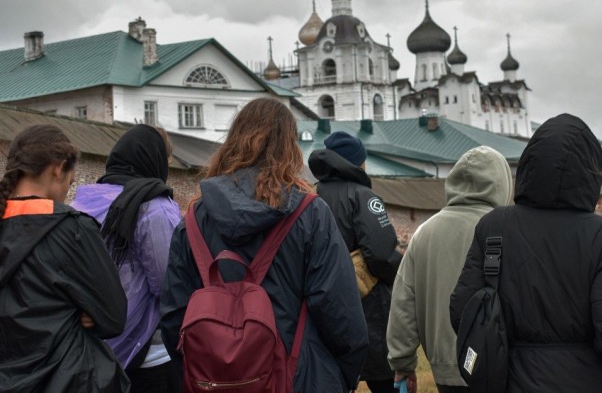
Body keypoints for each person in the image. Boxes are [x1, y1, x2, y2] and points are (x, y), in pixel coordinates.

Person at [160, 97, 368, 392]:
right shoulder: (310, 214)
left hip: (215, 381)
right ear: (289, 148)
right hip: (300, 378)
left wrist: (209, 370)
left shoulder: (193, 221)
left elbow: (173, 317)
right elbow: (340, 311)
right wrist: (342, 374)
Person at [450, 113, 602, 393]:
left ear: (529, 163)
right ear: (591, 174)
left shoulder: (494, 226)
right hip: (585, 381)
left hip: (508, 380)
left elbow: (463, 311)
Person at [0, 124, 129, 392]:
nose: (68, 192)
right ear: (59, 168)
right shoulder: (73, 230)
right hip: (66, 379)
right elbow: (114, 316)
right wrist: (84, 309)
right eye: (71, 182)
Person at [388, 146, 513, 393]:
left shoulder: (424, 233)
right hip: (500, 367)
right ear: (503, 183)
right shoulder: (508, 229)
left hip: (446, 371)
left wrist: (402, 363)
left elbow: (403, 304)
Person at [71, 124, 182, 392]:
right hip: (147, 353)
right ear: (156, 162)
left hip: (90, 349)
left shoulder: (83, 201)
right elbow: (168, 284)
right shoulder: (154, 207)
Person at [308, 131, 402, 393]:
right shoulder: (363, 196)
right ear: (356, 162)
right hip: (368, 307)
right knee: (383, 380)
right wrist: (400, 270)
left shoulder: (311, 195)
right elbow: (381, 254)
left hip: (324, 303)